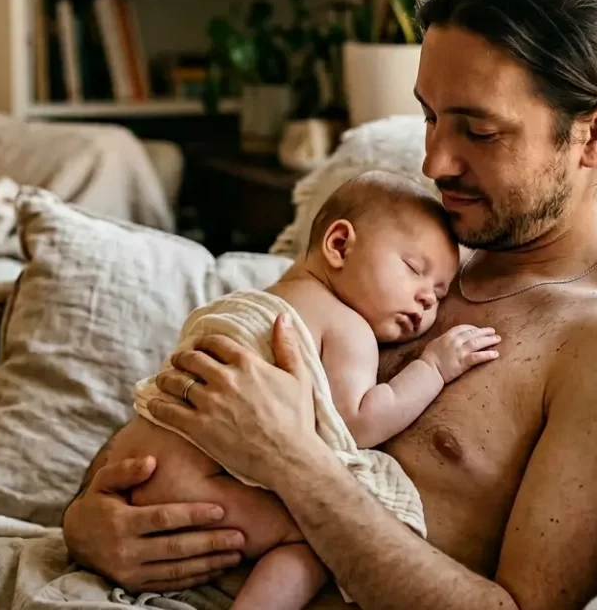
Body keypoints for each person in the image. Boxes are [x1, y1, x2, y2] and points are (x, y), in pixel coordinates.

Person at [61, 0, 597, 609]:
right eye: (430, 117)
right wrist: (88, 522)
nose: (434, 163)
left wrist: (290, 460)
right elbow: (194, 406)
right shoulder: (411, 247)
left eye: (478, 131)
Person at [115, 171, 499, 609]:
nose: (428, 299)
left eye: (439, 291)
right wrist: (432, 367)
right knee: (317, 540)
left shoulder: (256, 299)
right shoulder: (345, 325)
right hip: (199, 490)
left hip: (138, 473)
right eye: (414, 270)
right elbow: (358, 422)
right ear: (339, 245)